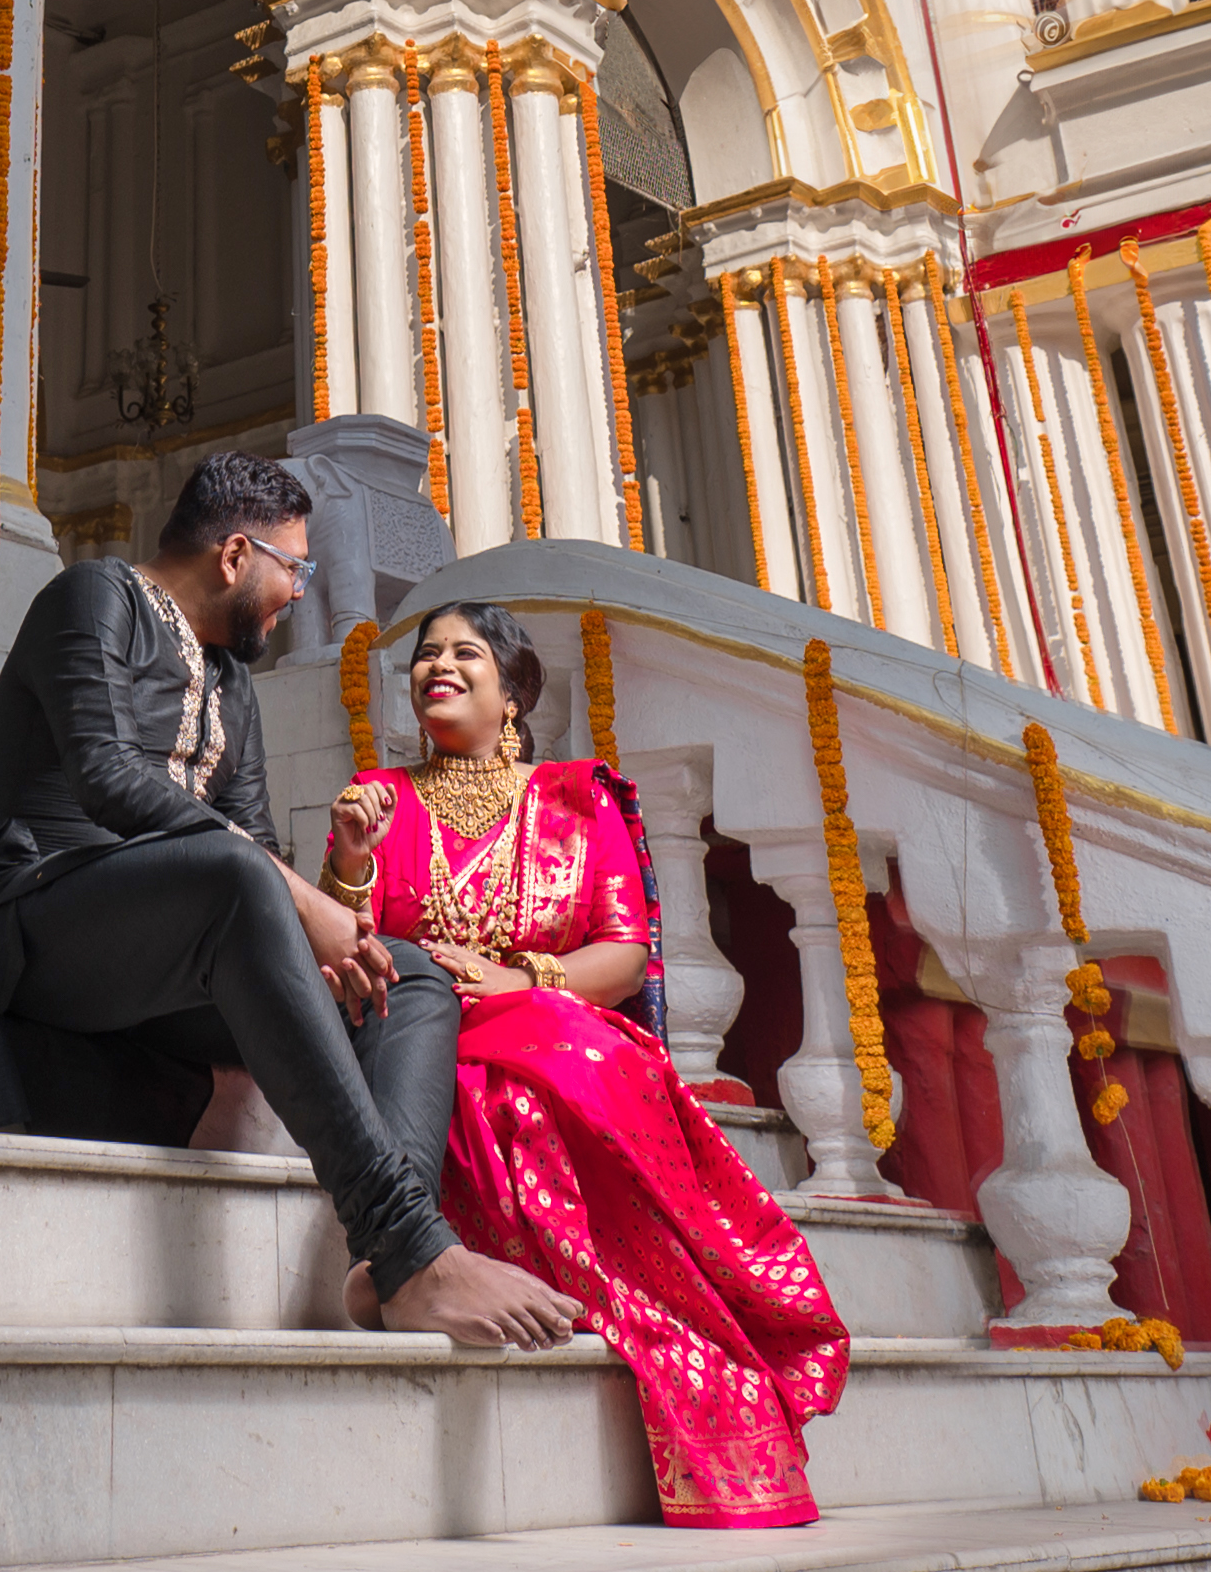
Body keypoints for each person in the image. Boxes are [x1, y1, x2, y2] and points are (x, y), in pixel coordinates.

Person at [0, 455, 581, 1351]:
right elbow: (107, 777)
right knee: (240, 879)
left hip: (173, 955)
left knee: (414, 976)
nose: (297, 594)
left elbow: (254, 840)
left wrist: (325, 934)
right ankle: (409, 1244)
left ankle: (387, 1265)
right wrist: (294, 897)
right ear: (237, 555)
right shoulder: (94, 598)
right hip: (33, 917)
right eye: (296, 570)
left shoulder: (233, 682)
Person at [325, 601, 852, 1523]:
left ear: (513, 693)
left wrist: (517, 980)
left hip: (550, 1018)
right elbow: (349, 952)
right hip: (423, 1033)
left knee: (581, 1065)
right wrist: (353, 860)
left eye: (465, 653)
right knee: (497, 1097)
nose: (438, 666)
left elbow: (624, 953)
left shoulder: (576, 796)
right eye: (425, 656)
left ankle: (664, 1310)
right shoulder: (380, 798)